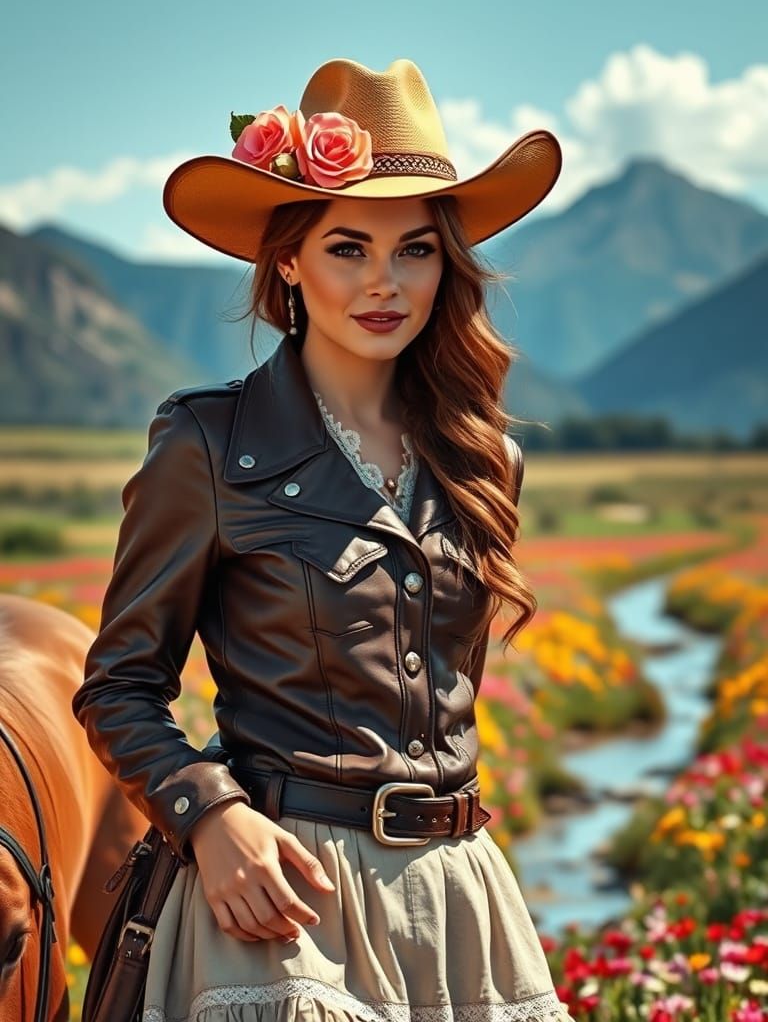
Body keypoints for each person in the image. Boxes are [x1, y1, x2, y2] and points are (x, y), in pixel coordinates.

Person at [72, 57, 576, 1022]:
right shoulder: (206, 443)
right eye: (348, 247)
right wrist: (209, 816)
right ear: (289, 262)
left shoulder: (486, 458)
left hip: (458, 900)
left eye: (415, 249)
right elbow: (119, 685)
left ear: (447, 262)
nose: (385, 282)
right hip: (276, 898)